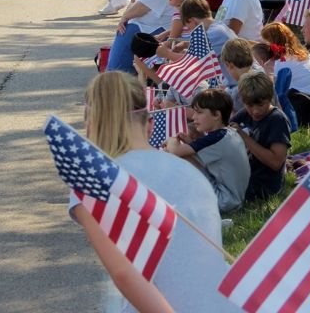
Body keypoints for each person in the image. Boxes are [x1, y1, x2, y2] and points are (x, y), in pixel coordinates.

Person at [78, 72, 238, 313]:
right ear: (151, 126)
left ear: (92, 125)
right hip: (224, 300)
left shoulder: (98, 181)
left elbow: (124, 274)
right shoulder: (189, 172)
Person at [166, 88, 250, 213]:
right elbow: (203, 152)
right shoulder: (227, 133)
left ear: (216, 115)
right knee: (187, 154)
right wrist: (190, 142)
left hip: (224, 200)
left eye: (199, 113)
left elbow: (175, 151)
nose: (194, 117)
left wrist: (171, 139)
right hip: (234, 197)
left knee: (180, 156)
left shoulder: (215, 138)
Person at [230, 72, 291, 201]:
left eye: (260, 105)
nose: (255, 111)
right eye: (250, 105)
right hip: (246, 176)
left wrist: (244, 137)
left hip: (264, 186)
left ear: (270, 98)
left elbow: (275, 163)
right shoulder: (245, 114)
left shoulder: (277, 120)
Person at [260, 21, 310, 126]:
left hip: (306, 110)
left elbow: (273, 93)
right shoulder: (302, 55)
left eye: (266, 43)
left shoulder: (282, 62)